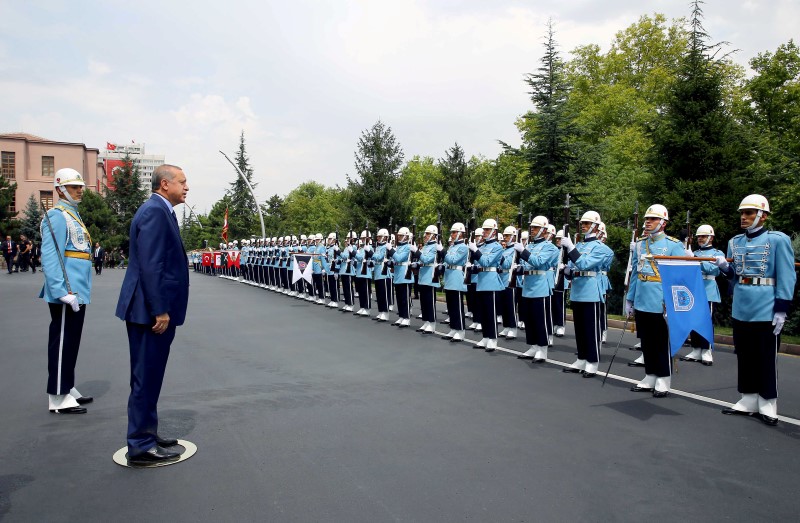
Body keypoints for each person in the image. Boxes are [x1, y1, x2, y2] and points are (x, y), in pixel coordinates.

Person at [116, 164, 190, 465]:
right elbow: (152, 265)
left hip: (151, 309)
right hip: (149, 312)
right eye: (182, 183)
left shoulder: (160, 210)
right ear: (164, 184)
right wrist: (160, 309)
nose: (186, 188)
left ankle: (148, 432)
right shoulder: (154, 212)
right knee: (145, 377)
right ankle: (140, 444)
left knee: (151, 375)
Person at [714, 195, 796, 426]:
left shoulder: (778, 240)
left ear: (763, 216)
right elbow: (736, 277)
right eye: (742, 213)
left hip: (766, 304)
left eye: (749, 213)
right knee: (745, 354)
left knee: (766, 356)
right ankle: (748, 398)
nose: (744, 217)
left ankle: (768, 401)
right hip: (742, 304)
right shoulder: (735, 242)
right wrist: (725, 269)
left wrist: (781, 308)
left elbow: (787, 275)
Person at [40, 168, 94, 413]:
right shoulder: (57, 216)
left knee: (71, 341)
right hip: (67, 291)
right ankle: (58, 397)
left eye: (80, 186)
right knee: (62, 341)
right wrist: (61, 290)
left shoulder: (72, 214)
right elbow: (52, 257)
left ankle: (67, 385)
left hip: (77, 289)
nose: (79, 191)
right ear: (60, 189)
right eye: (74, 187)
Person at [625, 204, 686, 397]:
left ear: (663, 223)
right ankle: (650, 374)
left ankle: (663, 377)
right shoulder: (641, 243)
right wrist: (630, 298)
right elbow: (636, 272)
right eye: (647, 219)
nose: (648, 222)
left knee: (660, 341)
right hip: (642, 297)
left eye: (652, 219)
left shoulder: (673, 245)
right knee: (647, 341)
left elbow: (679, 277)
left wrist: (673, 301)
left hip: (660, 299)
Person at [560, 211, 614, 378]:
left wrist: (570, 247)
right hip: (577, 289)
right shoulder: (580, 246)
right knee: (580, 328)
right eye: (582, 223)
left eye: (587, 223)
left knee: (591, 329)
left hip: (591, 290)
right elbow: (572, 267)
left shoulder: (603, 249)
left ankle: (592, 361)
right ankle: (582, 358)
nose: (583, 226)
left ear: (596, 227)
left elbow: (584, 264)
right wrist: (565, 270)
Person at [515, 216, 560, 362]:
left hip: (540, 285)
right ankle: (533, 346)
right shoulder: (529, 246)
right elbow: (526, 264)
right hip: (528, 284)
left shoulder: (550, 247)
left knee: (541, 319)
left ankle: (542, 349)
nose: (532, 230)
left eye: (535, 228)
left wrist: (523, 252)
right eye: (532, 228)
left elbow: (539, 262)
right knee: (529, 318)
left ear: (543, 230)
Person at [680, 224, 723, 366]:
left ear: (711, 238)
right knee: (693, 321)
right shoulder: (694, 252)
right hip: (693, 289)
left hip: (708, 289)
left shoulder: (717, 253)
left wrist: (695, 259)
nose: (700, 239)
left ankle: (707, 350)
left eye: (703, 236)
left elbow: (714, 270)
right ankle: (696, 348)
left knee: (706, 322)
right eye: (698, 236)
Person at [469, 219, 504, 351]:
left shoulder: (497, 247)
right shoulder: (482, 247)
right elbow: (478, 264)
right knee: (483, 312)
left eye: (487, 230)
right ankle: (485, 336)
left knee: (491, 312)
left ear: (494, 232)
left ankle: (493, 339)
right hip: (481, 281)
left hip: (491, 282)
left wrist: (475, 251)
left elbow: (486, 262)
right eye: (484, 230)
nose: (484, 232)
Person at [441, 223, 469, 342]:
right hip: (449, 277)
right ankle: (453, 328)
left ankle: (460, 330)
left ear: (460, 233)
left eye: (454, 232)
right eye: (451, 232)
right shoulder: (452, 247)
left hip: (457, 278)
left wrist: (442, 251)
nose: (451, 235)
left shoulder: (463, 247)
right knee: (451, 306)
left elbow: (453, 260)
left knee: (457, 307)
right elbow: (447, 262)